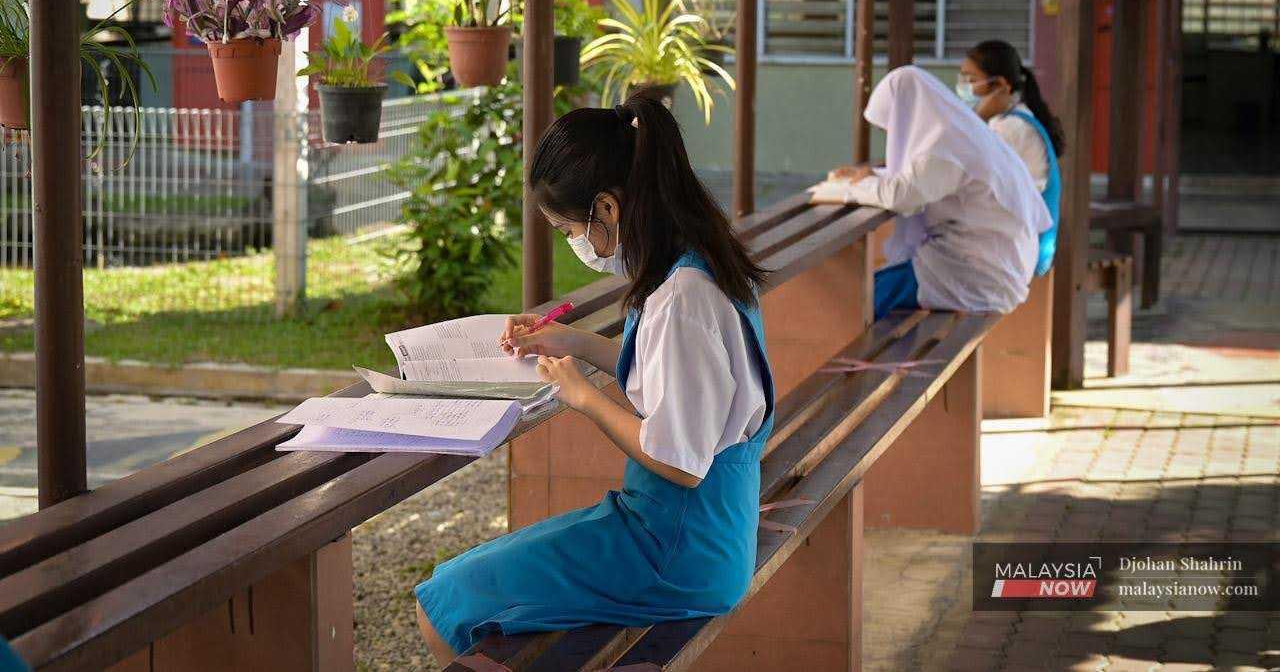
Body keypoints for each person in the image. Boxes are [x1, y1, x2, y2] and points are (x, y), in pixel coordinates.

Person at [414, 89, 774, 663]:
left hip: (676, 549)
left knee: (445, 602)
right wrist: (572, 344)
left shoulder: (682, 299)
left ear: (608, 208)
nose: (572, 243)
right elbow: (672, 382)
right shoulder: (700, 262)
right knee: (463, 590)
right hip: (700, 532)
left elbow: (680, 462)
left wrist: (584, 397)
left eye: (567, 229)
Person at [812, 65, 1053, 317]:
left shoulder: (946, 145)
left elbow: (902, 196)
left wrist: (853, 186)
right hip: (996, 264)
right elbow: (921, 180)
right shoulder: (958, 133)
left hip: (981, 274)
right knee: (868, 293)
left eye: (892, 128)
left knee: (851, 309)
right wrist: (871, 177)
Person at [957, 40, 1064, 275]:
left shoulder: (1009, 128)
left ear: (1000, 85)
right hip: (1022, 241)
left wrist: (976, 118)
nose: (964, 87)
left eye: (971, 80)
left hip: (1023, 248)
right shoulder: (1013, 118)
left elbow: (967, 173)